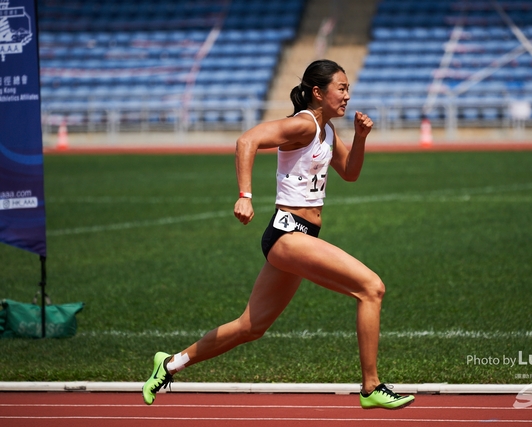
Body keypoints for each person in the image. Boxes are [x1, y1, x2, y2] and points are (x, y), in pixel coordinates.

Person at [142, 59, 415, 410]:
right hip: (287, 235)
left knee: (250, 327)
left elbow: (350, 172)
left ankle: (169, 364)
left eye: (348, 89)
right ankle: (371, 386)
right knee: (371, 288)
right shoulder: (302, 124)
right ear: (318, 92)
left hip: (300, 237)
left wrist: (361, 138)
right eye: (342, 88)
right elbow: (247, 140)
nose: (348, 96)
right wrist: (245, 195)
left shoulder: (328, 130)